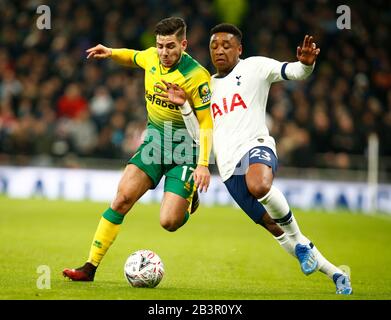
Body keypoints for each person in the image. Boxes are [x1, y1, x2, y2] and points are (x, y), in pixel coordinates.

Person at [157, 23, 352, 295]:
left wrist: (306, 65)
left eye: (226, 45)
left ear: (240, 49)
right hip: (228, 169)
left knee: (259, 185)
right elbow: (201, 135)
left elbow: (293, 71)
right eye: (214, 46)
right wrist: (186, 107)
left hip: (255, 146)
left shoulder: (255, 67)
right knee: (274, 227)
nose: (219, 51)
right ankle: (337, 274)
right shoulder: (206, 87)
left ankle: (301, 245)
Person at [63, 17, 213, 281]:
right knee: (121, 199)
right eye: (160, 46)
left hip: (185, 151)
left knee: (169, 222)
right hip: (155, 143)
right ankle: (89, 267)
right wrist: (110, 53)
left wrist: (203, 164)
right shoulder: (152, 57)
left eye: (170, 46)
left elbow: (206, 124)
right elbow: (132, 56)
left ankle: (188, 202)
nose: (164, 53)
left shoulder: (197, 76)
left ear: (183, 44)